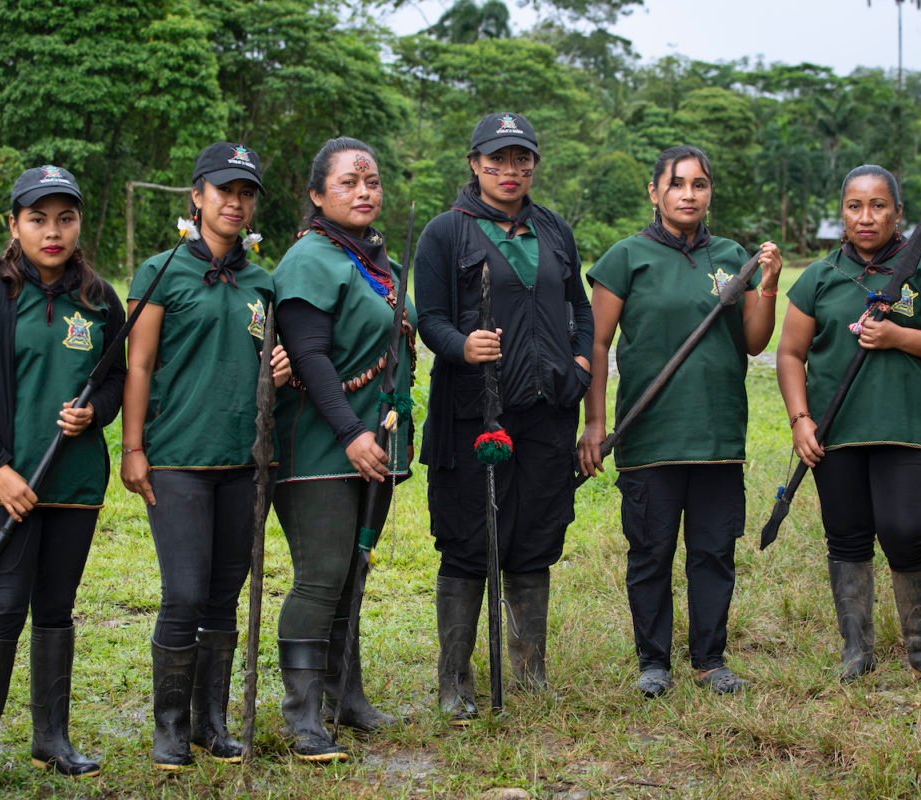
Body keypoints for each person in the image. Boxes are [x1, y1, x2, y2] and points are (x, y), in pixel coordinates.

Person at [577, 145, 782, 697]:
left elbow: (755, 341)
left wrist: (767, 285)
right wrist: (595, 424)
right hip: (650, 437)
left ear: (710, 192)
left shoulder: (731, 255)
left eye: (699, 185)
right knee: (651, 551)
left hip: (717, 438)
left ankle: (710, 660)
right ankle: (654, 662)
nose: (688, 195)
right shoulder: (625, 258)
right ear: (655, 193)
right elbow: (596, 344)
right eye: (677, 184)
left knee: (713, 551)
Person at [415, 112, 594, 721]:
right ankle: (454, 679)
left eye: (522, 159)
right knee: (468, 541)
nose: (510, 171)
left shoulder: (554, 230)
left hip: (547, 411)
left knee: (535, 536)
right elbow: (429, 316)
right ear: (474, 163)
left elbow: (581, 308)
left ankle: (530, 669)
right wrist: (462, 345)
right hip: (475, 414)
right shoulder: (446, 233)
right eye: (497, 159)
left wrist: (579, 362)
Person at [0, 165, 125, 795]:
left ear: (79, 223)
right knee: (5, 610)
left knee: (57, 610)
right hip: (10, 486)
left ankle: (51, 738)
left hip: (76, 484)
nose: (53, 232)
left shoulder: (100, 298)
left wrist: (94, 412)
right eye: (38, 219)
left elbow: (115, 377)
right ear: (14, 224)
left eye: (66, 218)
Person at [121, 142, 288, 769]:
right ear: (197, 196)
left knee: (224, 595)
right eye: (224, 191)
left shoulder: (263, 282)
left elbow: (273, 365)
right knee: (184, 594)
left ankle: (210, 723)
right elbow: (138, 364)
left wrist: (284, 364)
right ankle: (168, 726)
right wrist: (133, 447)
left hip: (245, 462)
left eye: (246, 194)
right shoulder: (161, 272)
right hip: (177, 458)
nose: (236, 203)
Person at [776, 164, 921, 684]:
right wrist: (800, 420)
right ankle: (856, 648)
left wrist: (898, 337)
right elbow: (791, 354)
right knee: (846, 535)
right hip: (835, 430)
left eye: (879, 205)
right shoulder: (819, 276)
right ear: (841, 214)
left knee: (907, 532)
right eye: (855, 206)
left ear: (898, 212)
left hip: (906, 425)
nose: (867, 217)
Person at [270, 137, 414, 762]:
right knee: (322, 576)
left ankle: (344, 695)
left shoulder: (377, 261)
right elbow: (308, 355)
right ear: (316, 195)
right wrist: (351, 434)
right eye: (349, 183)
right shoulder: (310, 259)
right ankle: (303, 716)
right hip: (321, 449)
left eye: (372, 181)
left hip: (373, 445)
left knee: (353, 573)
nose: (364, 192)